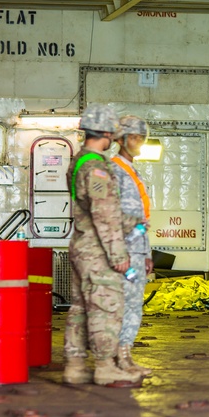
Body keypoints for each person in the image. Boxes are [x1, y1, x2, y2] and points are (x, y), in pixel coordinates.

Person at [63, 103, 142, 387]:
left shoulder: (78, 161)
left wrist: (131, 220)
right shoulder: (96, 168)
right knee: (106, 305)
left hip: (80, 244)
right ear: (107, 133)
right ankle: (106, 366)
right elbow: (104, 213)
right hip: (97, 249)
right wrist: (118, 254)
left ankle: (74, 366)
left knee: (81, 308)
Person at [111, 115, 155, 377]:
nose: (139, 142)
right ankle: (120, 356)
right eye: (135, 137)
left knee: (134, 303)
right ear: (122, 139)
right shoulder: (114, 170)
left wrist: (147, 253)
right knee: (124, 304)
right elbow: (111, 216)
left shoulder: (132, 170)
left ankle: (124, 353)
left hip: (137, 249)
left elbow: (142, 218)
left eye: (141, 137)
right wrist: (121, 252)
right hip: (124, 251)